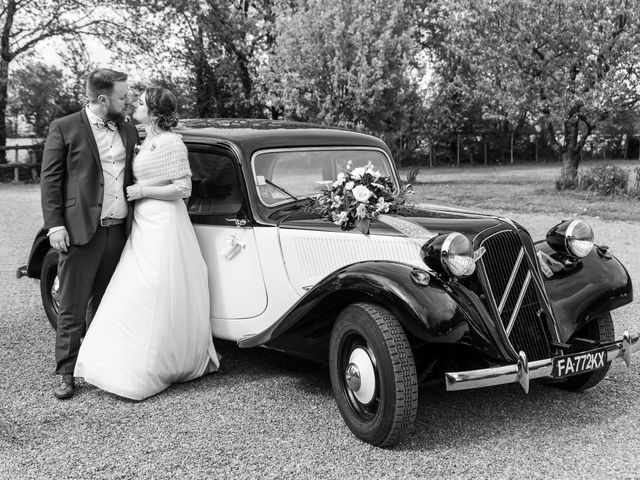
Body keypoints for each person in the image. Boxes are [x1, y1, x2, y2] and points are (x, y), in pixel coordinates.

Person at [74, 87, 219, 401]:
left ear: (154, 111)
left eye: (140, 103)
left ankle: (155, 362)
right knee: (133, 286)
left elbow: (182, 188)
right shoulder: (142, 141)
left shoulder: (170, 142)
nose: (134, 105)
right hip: (142, 222)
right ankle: (117, 357)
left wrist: (142, 191)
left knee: (154, 286)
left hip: (164, 222)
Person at [41, 68, 140, 399]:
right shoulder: (64, 128)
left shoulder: (127, 129)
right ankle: (66, 372)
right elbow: (51, 181)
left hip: (119, 232)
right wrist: (55, 225)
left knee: (108, 304)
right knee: (72, 305)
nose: (127, 102)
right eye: (123, 97)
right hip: (82, 231)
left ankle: (99, 366)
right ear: (103, 99)